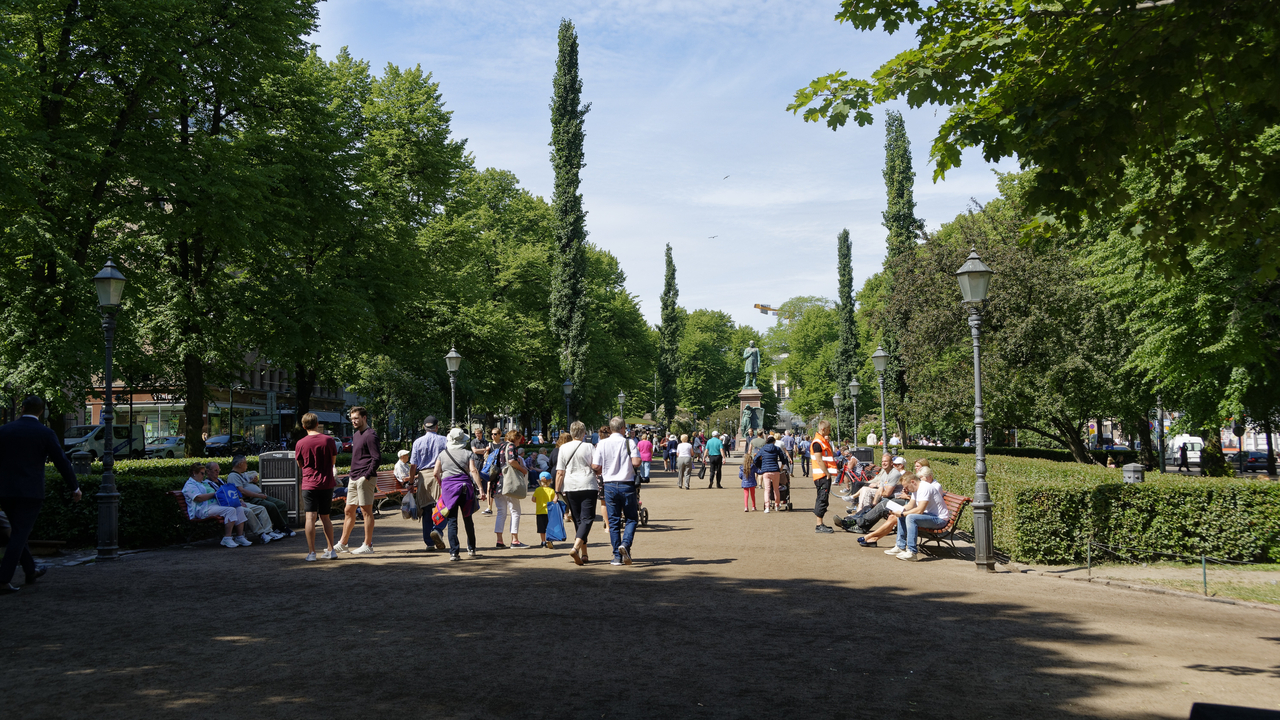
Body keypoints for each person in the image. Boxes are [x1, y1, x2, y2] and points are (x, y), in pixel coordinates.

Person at [0, 396, 81, 594]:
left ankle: (31, 570)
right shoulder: (45, 433)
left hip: (5, 491)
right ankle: (3, 580)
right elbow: (62, 461)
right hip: (31, 492)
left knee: (18, 532)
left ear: (22, 408)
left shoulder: (4, 430)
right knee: (20, 534)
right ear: (41, 412)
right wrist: (75, 487)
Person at [593, 416, 641, 566]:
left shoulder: (602, 443)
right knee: (632, 518)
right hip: (626, 483)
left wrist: (602, 470)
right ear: (622, 428)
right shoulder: (629, 442)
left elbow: (595, 466)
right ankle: (625, 544)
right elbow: (636, 462)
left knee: (613, 521)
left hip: (609, 485)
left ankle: (616, 557)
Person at [433, 428, 486, 561]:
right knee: (468, 518)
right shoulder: (468, 453)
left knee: (452, 520)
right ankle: (472, 549)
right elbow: (473, 470)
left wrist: (442, 484)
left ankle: (454, 552)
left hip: (448, 489)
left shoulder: (442, 454)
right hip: (464, 488)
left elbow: (435, 473)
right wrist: (481, 489)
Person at [335, 406, 379, 555]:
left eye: (356, 418)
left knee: (366, 511)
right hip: (354, 477)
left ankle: (368, 545)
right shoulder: (356, 434)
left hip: (364, 478)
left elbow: (376, 458)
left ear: (364, 418)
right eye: (352, 418)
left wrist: (366, 476)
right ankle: (343, 543)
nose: (353, 421)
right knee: (348, 510)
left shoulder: (370, 435)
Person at [295, 413, 337, 561]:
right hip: (326, 483)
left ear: (303, 426)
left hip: (309, 483)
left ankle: (312, 553)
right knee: (325, 517)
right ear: (317, 423)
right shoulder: (329, 440)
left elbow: (300, 464)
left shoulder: (300, 443)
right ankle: (331, 550)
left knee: (310, 517)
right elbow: (332, 462)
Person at [555, 421, 597, 565]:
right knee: (588, 518)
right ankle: (576, 548)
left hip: (570, 486)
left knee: (578, 520)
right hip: (588, 484)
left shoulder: (563, 448)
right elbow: (596, 466)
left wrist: (556, 491)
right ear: (584, 433)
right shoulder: (589, 447)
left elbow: (560, 472)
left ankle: (584, 553)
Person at [181, 463, 250, 549]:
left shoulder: (202, 483)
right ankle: (227, 537)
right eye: (202, 473)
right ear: (194, 473)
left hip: (214, 506)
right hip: (203, 509)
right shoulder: (190, 485)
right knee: (230, 510)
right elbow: (198, 498)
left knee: (238, 508)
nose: (204, 475)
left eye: (204, 473)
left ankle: (240, 537)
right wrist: (215, 494)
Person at [206, 461, 277, 543]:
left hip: (236, 503)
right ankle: (261, 534)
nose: (218, 472)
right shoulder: (207, 484)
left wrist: (240, 500)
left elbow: (231, 493)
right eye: (215, 470)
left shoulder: (220, 481)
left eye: (219, 470)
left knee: (261, 509)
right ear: (208, 471)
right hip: (228, 506)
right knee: (248, 511)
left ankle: (268, 532)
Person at [889, 466, 950, 561]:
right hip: (930, 516)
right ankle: (900, 546)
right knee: (903, 514)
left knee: (910, 517)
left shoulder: (924, 488)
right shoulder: (916, 489)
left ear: (913, 482)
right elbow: (910, 505)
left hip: (939, 519)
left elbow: (920, 510)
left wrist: (903, 514)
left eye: (906, 487)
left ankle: (912, 552)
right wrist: (899, 510)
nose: (906, 489)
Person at [226, 456, 293, 538]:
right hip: (251, 498)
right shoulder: (233, 476)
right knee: (271, 506)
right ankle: (283, 527)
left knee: (281, 504)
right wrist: (258, 495)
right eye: (245, 463)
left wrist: (254, 481)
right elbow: (241, 491)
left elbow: (248, 486)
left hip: (259, 496)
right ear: (240, 464)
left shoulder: (242, 475)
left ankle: (278, 528)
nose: (247, 465)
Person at [409, 416, 448, 549]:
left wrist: (410, 482)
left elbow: (413, 465)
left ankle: (429, 542)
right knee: (443, 507)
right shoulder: (444, 440)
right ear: (437, 426)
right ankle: (437, 529)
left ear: (424, 427)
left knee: (426, 509)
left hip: (423, 477)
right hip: (440, 475)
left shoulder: (417, 442)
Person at [494, 429, 530, 549]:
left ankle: (499, 540)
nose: (520, 442)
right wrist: (523, 469)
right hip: (509, 483)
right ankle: (514, 540)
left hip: (498, 483)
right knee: (515, 511)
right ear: (516, 438)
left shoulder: (500, 446)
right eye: (520, 439)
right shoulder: (511, 446)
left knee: (501, 512)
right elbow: (512, 461)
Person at [809, 420, 836, 534]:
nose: (830, 432)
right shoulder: (817, 442)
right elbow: (819, 460)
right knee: (822, 498)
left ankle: (820, 523)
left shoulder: (821, 441)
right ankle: (819, 525)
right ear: (823, 429)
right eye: (829, 429)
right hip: (822, 475)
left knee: (823, 498)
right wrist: (827, 473)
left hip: (822, 475)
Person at [754, 434, 790, 513]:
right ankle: (777, 505)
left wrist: (760, 466)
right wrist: (781, 468)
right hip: (775, 470)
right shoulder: (777, 449)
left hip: (766, 471)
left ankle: (767, 507)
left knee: (767, 489)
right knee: (776, 489)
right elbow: (783, 458)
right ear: (774, 442)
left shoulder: (763, 449)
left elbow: (755, 459)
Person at [533, 472, 557, 549]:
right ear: (550, 481)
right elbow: (554, 501)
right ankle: (549, 540)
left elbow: (533, 499)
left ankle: (543, 542)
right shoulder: (551, 490)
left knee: (541, 528)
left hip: (540, 512)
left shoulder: (538, 490)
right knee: (549, 527)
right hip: (549, 512)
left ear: (540, 481)